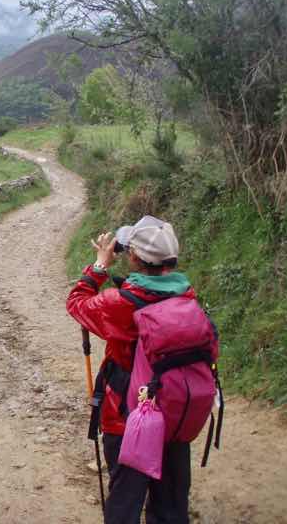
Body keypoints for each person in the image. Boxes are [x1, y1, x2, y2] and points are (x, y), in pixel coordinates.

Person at [66, 215, 196, 524]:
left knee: (124, 505)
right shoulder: (187, 296)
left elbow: (77, 303)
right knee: (171, 507)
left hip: (128, 417)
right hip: (175, 412)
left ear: (134, 258)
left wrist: (100, 265)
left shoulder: (122, 304)